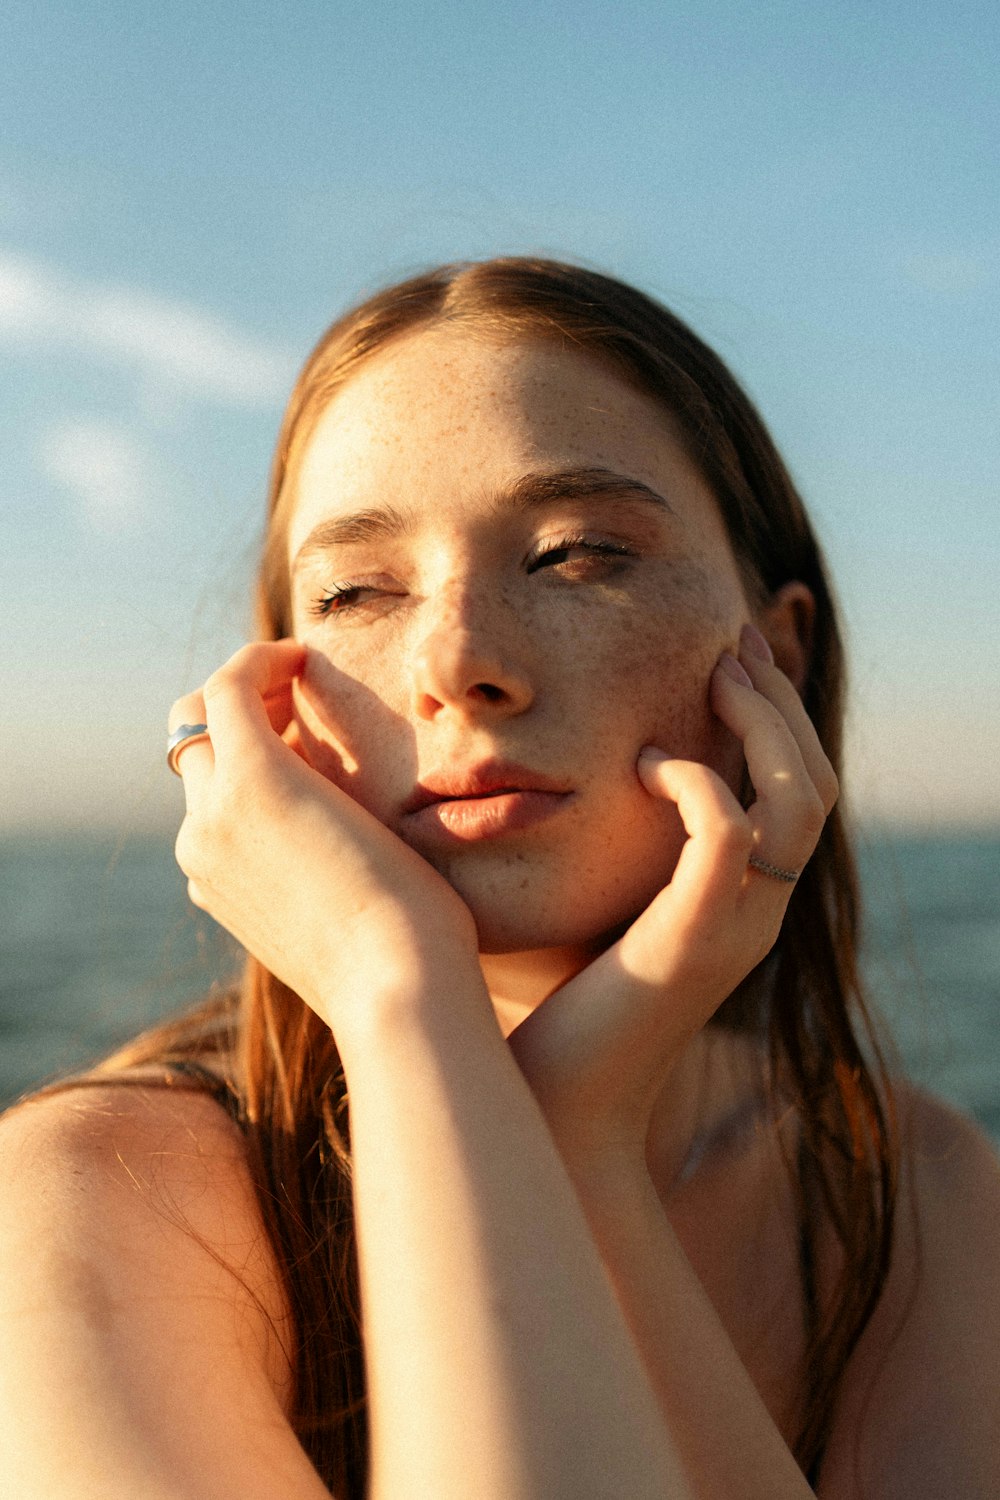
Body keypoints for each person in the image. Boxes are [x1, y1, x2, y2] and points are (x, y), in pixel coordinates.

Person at [0, 258, 996, 1500]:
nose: (458, 662)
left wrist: (581, 1139)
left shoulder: (910, 1185)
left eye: (574, 555)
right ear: (275, 695)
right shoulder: (98, 1201)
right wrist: (392, 989)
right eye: (356, 589)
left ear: (777, 647)